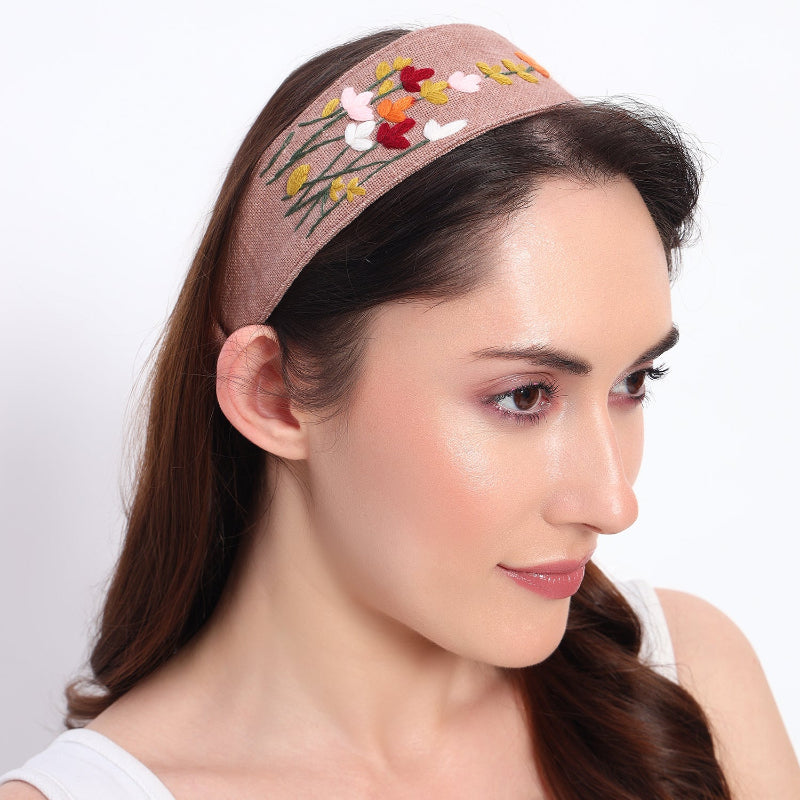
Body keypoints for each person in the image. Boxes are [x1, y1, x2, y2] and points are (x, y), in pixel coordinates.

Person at [1, 21, 798, 800]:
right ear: (273, 394)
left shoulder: (688, 677)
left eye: (632, 384)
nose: (613, 503)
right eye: (524, 396)